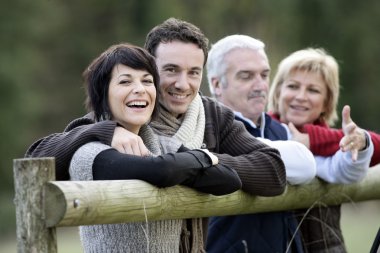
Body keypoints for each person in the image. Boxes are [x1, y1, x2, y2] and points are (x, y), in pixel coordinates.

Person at [25, 18, 287, 251]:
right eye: (171, 70)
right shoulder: (126, 116)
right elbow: (38, 156)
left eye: (193, 72)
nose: (183, 84)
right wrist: (105, 131)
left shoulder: (211, 115)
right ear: (150, 65)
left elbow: (273, 171)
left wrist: (201, 158)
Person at [70, 43, 242, 252]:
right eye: (125, 81)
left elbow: (229, 179)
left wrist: (183, 166)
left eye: (147, 81)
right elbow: (162, 171)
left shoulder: (163, 145)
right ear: (103, 94)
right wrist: (203, 158)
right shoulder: (88, 150)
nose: (140, 89)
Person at [205, 34, 316, 253]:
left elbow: (309, 166)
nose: (260, 85)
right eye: (246, 76)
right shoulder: (207, 131)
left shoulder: (280, 129)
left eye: (264, 75)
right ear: (217, 84)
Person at [268, 48, 374, 252]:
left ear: (327, 102)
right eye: (293, 86)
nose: (301, 96)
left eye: (313, 90)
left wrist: (361, 143)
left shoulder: (332, 146)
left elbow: (345, 169)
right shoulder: (258, 131)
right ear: (278, 91)